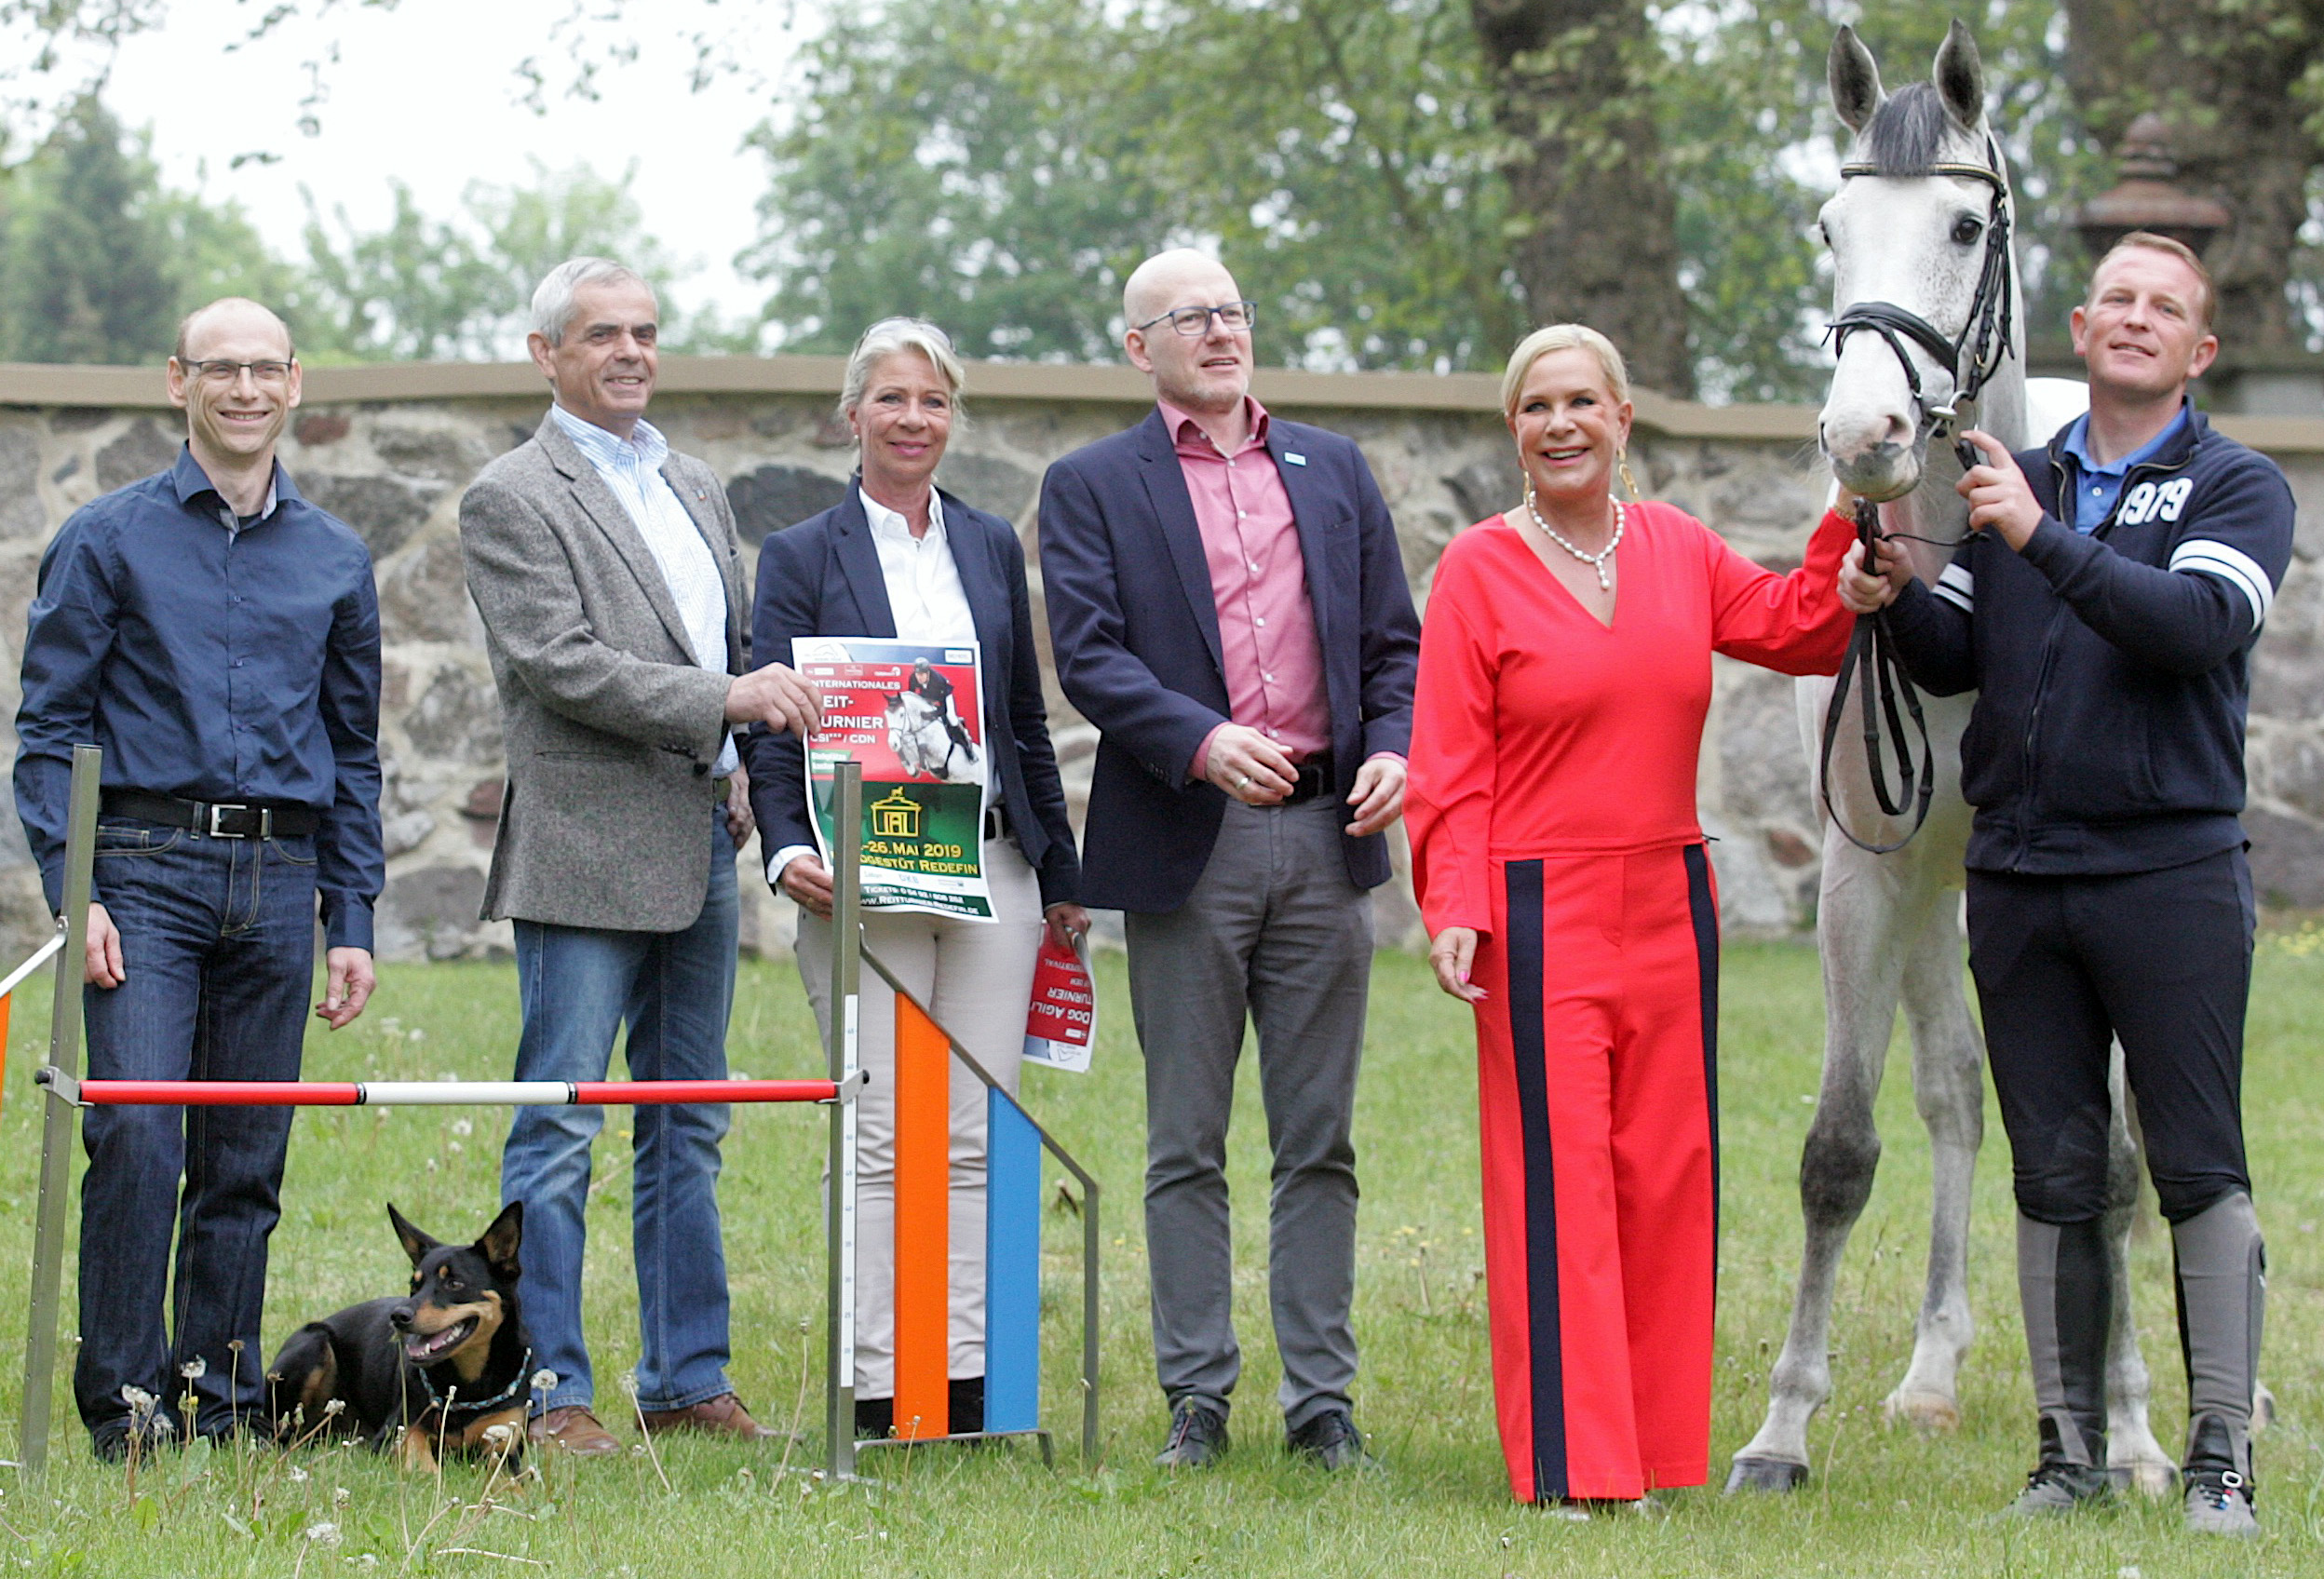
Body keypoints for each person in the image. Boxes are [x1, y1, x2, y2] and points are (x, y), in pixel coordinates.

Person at [1844, 232, 2292, 1535]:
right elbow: (1956, 657)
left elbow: (2195, 629)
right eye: (2119, 303)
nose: (2139, 321)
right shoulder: (2018, 478)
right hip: (2021, 875)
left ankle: (2221, 1464)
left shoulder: (2238, 485)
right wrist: (1889, 599)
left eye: (2168, 308)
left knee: (2197, 1165)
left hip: (2170, 872)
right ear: (2083, 330)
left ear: (2198, 350)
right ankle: (2066, 1456)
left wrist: (2040, 539)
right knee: (2052, 1170)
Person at [1406, 324, 1861, 1507]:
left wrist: (1851, 508)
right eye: (1535, 407)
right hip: (1533, 905)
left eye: (1580, 403)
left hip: (1669, 895)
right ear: (1515, 431)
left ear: (1622, 416)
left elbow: (1801, 623)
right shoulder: (1476, 569)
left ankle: (1660, 1452)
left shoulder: (1678, 547)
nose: (1559, 424)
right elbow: (1448, 762)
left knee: (1667, 1176)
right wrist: (1452, 901)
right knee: (1560, 1183)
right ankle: (1577, 1466)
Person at [1040, 250, 1420, 1471]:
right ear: (1137, 346)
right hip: (1184, 842)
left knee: (1320, 1136)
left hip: (1325, 835)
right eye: (1188, 316)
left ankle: (1325, 1404)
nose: (1218, 330)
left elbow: (1391, 646)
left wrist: (1396, 747)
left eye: (1232, 311)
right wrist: (1200, 744)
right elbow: (1091, 657)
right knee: (1183, 1138)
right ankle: (1196, 1398)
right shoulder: (1095, 483)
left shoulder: (1334, 467)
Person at [460, 257, 822, 1457]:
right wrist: (725, 700)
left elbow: (729, 637)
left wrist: (735, 775)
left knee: (691, 1119)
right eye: (602, 333)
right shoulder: (511, 494)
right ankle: (548, 1391)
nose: (629, 352)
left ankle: (684, 1378)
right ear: (544, 353)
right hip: (580, 852)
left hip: (699, 842)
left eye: (646, 333)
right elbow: (559, 663)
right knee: (560, 1123)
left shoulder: (696, 483)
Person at [13, 297, 384, 1459]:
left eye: (263, 369)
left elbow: (357, 750)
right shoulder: (106, 538)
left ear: (295, 384)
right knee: (136, 1140)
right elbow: (47, 730)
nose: (242, 389)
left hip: (280, 878)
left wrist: (351, 913)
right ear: (177, 379)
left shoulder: (335, 558)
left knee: (245, 1158)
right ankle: (126, 1411)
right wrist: (82, 894)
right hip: (145, 870)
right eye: (218, 368)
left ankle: (217, 1401)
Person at [748, 317, 1088, 1441]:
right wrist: (789, 846)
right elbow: (774, 719)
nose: (912, 420)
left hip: (994, 869)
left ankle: (974, 1377)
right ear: (852, 415)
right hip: (867, 873)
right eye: (891, 399)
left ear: (954, 418)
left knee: (983, 1128)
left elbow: (1024, 720)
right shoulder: (801, 554)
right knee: (887, 1130)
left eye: (933, 402)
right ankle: (886, 1380)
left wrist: (1063, 871)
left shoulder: (992, 544)